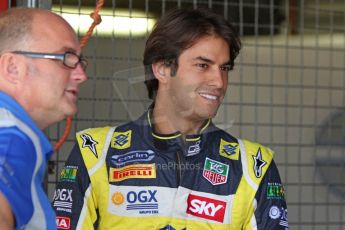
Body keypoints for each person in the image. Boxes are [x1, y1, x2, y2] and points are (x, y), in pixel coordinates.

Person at [53, 8, 288, 229]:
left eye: (224, 68)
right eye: (203, 65)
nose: (219, 82)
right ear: (162, 69)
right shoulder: (95, 153)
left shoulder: (253, 165)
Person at [0, 7, 88, 230]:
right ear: (12, 67)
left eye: (79, 61)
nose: (81, 75)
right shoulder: (9, 137)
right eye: (65, 58)